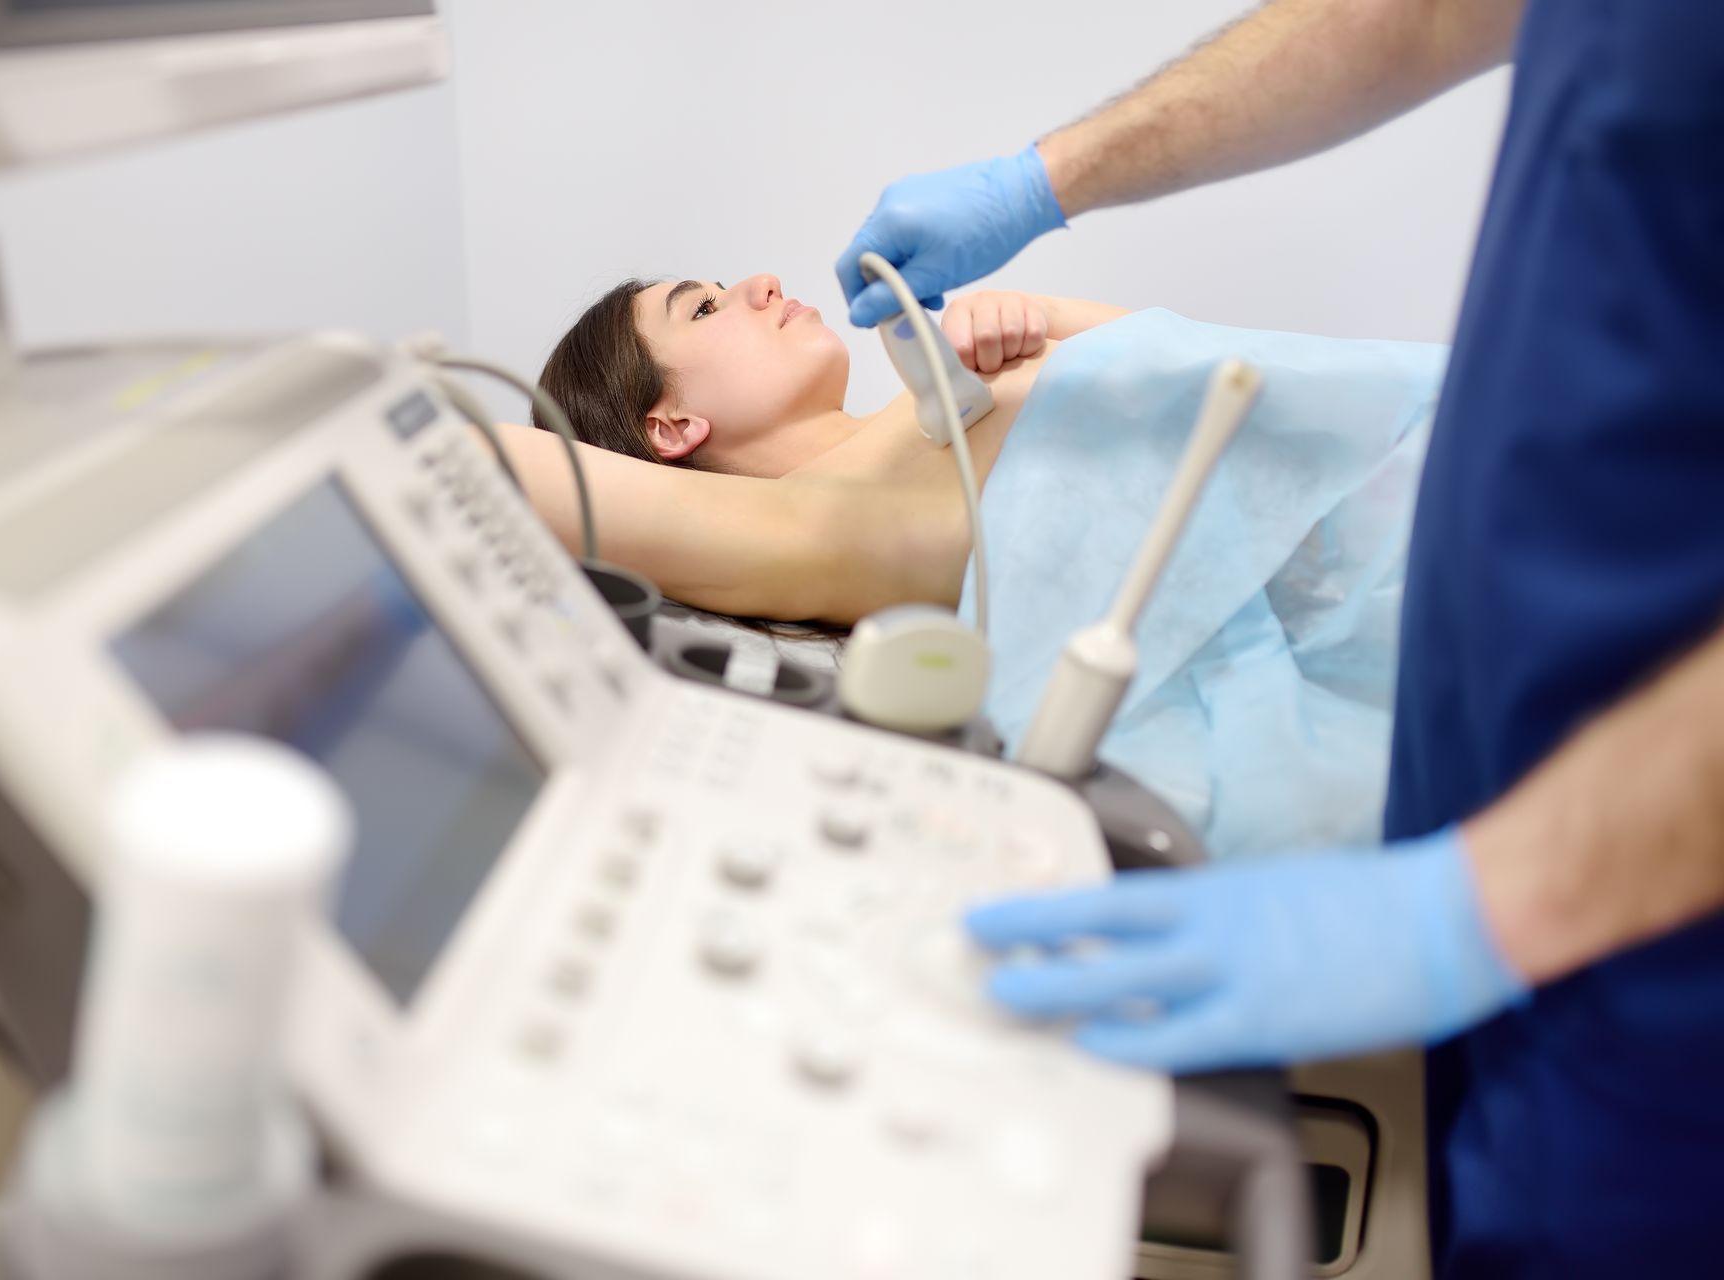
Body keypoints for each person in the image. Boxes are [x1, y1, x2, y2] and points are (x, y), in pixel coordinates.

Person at [832, 0, 1724, 1274]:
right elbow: (1421, 18)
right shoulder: (864, 465)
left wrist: (1485, 904)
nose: (750, 292)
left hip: (1659, 897)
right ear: (666, 425)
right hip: (1502, 732)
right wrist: (1046, 178)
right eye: (694, 313)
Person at [494, 277, 1126, 622]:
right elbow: (491, 457)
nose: (763, 283)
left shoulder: (938, 387)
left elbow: (1176, 350)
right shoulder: (798, 525)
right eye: (704, 308)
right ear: (670, 426)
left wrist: (1038, 310)